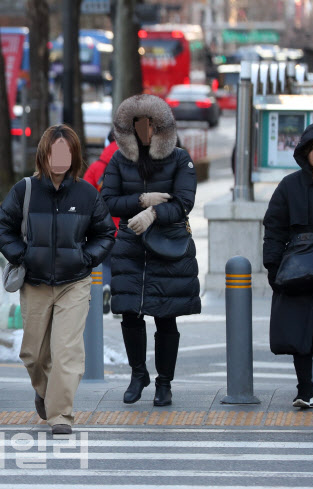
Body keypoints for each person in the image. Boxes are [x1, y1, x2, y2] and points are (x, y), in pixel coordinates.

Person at [0, 124, 115, 434]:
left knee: (66, 351)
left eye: (66, 151)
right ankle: (46, 392)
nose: (59, 157)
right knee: (33, 354)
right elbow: (1, 227)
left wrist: (85, 258)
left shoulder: (87, 193)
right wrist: (22, 254)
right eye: (54, 151)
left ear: (74, 156)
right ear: (44, 155)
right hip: (35, 283)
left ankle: (60, 415)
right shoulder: (25, 190)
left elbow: (106, 232)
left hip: (74, 283)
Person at [101, 94, 201, 407]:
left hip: (167, 246)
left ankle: (164, 382)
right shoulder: (119, 160)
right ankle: (137, 373)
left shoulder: (180, 158)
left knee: (165, 317)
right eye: (137, 125)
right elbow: (107, 200)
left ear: (161, 127)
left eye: (149, 124)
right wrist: (142, 202)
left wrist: (156, 213)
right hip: (130, 245)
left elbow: (184, 202)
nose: (144, 130)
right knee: (129, 313)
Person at [263, 122, 313, 408]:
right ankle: (304, 389)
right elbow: (274, 227)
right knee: (300, 329)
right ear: (304, 153)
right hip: (298, 271)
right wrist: (272, 266)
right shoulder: (289, 186)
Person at [84, 131, 120, 311]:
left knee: (104, 261)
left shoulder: (96, 167)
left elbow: (83, 196)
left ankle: (105, 287)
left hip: (101, 227)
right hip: (124, 226)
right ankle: (118, 295)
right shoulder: (128, 165)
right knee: (122, 263)